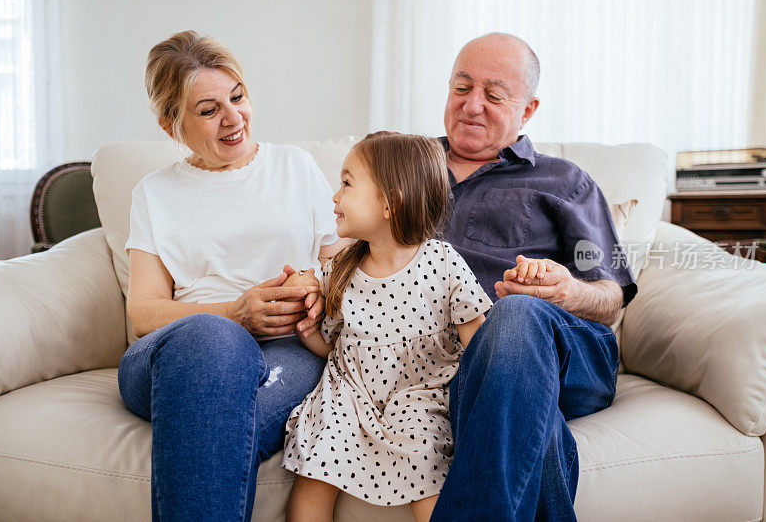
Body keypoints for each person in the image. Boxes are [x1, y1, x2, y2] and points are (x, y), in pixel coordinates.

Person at [116, 30, 346, 521]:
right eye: (207, 110)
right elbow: (143, 313)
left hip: (287, 349)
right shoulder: (154, 193)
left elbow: (342, 268)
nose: (232, 118)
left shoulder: (295, 167)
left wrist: (316, 290)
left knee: (220, 425)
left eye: (237, 97)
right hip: (177, 353)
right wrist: (235, 314)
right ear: (169, 124)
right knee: (213, 338)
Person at [430, 33, 638, 521]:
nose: (472, 105)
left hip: (564, 349)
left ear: (527, 110)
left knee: (516, 313)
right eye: (461, 87)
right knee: (506, 390)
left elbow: (611, 297)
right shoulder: (404, 169)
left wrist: (566, 290)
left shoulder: (565, 181)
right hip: (448, 360)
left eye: (494, 95)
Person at [281, 132, 493, 522]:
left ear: (390, 202)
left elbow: (482, 348)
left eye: (346, 183)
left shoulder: (443, 263)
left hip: (419, 395)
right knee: (316, 465)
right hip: (350, 393)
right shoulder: (341, 268)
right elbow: (332, 347)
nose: (334, 196)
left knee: (426, 457)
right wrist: (303, 322)